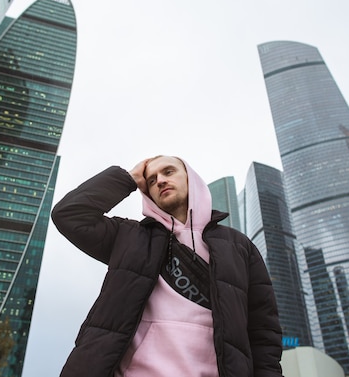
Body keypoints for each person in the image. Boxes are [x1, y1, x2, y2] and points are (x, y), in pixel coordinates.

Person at [51, 156, 283, 377]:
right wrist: (129, 178)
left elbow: (263, 332)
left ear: (190, 178)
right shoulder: (129, 236)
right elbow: (69, 215)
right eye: (151, 180)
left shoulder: (239, 246)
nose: (160, 180)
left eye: (169, 171)